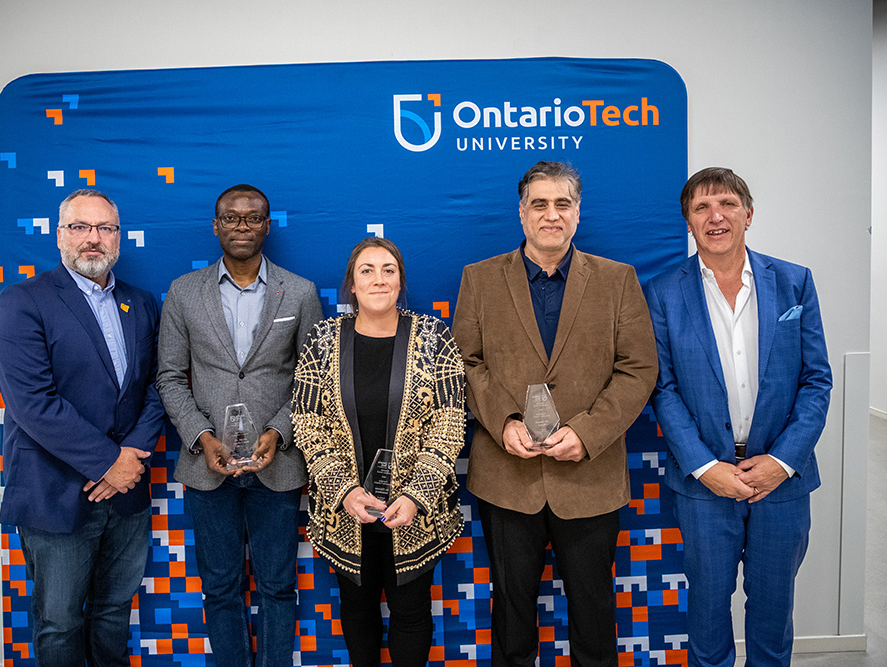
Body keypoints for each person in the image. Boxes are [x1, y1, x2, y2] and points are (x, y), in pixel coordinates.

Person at [452, 161, 658, 667]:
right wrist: (503, 423)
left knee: (593, 616)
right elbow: (465, 362)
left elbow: (638, 369)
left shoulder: (617, 280)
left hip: (589, 476)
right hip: (507, 476)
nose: (551, 215)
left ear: (577, 212)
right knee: (512, 618)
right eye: (539, 204)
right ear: (522, 214)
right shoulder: (479, 279)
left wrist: (587, 434)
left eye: (562, 204)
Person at [646, 167, 832, 667]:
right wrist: (707, 468)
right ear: (688, 222)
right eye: (701, 208)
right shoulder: (663, 292)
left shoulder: (794, 282)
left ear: (748, 214)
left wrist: (783, 461)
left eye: (726, 204)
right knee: (706, 618)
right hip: (706, 485)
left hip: (782, 483)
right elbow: (662, 388)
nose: (716, 216)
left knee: (773, 618)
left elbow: (817, 382)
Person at [0, 189, 164, 667]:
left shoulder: (142, 302)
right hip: (56, 491)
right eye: (80, 227)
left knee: (112, 615)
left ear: (118, 237)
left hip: (126, 494)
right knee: (60, 621)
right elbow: (32, 403)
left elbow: (159, 385)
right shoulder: (24, 301)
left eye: (105, 228)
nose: (94, 239)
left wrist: (129, 459)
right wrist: (111, 462)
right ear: (60, 234)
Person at [156, 184, 322, 667]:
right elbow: (169, 376)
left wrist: (279, 431)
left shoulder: (301, 291)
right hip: (208, 466)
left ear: (267, 226)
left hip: (280, 464)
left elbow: (313, 377)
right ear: (216, 225)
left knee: (277, 585)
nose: (242, 227)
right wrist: (202, 437)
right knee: (220, 587)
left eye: (253, 219)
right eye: (232, 218)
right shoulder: (184, 293)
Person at [292, 237, 465, 667]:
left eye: (388, 270)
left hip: (416, 512)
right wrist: (344, 491)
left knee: (410, 613)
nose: (378, 279)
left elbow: (447, 426)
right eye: (367, 270)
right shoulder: (322, 341)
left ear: (401, 281)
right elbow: (309, 425)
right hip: (347, 511)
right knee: (357, 610)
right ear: (351, 284)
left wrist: (416, 495)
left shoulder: (433, 338)